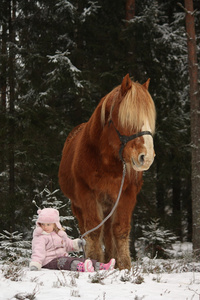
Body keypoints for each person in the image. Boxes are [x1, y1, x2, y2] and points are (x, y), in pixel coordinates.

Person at [30, 208, 115, 272]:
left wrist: (77, 244)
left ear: (55, 224)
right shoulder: (40, 237)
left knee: (78, 259)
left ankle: (102, 266)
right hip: (48, 261)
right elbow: (38, 251)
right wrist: (36, 263)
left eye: (48, 224)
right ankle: (82, 267)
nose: (45, 227)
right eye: (43, 224)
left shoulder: (59, 234)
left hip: (61, 257)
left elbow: (68, 244)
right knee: (66, 262)